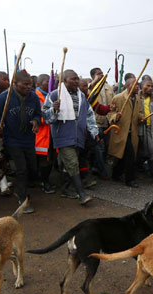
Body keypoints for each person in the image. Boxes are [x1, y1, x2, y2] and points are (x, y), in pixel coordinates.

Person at [42, 69, 95, 204]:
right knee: (72, 163)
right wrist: (53, 109)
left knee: (67, 165)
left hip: (78, 136)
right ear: (64, 81)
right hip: (63, 136)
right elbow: (46, 117)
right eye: (73, 79)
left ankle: (65, 189)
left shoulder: (82, 96)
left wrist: (94, 131)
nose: (77, 81)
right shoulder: (54, 95)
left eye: (77, 78)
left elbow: (88, 114)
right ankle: (81, 194)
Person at [0, 72, 40, 213]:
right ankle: (23, 199)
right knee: (22, 169)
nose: (29, 87)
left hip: (29, 139)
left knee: (32, 167)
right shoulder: (4, 97)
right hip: (12, 139)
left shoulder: (34, 97)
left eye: (30, 84)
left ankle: (21, 189)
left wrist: (36, 120)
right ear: (15, 83)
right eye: (25, 84)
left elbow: (38, 113)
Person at [108, 77, 142, 188]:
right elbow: (110, 114)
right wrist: (115, 116)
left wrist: (141, 117)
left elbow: (139, 112)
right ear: (128, 86)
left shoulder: (137, 98)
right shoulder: (118, 98)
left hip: (132, 132)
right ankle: (130, 179)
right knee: (130, 155)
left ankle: (116, 174)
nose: (138, 87)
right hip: (121, 131)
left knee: (125, 155)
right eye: (135, 85)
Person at [90, 67, 114, 179]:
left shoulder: (108, 88)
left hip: (107, 121)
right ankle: (102, 171)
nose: (102, 75)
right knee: (99, 147)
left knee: (106, 146)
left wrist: (111, 109)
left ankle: (97, 166)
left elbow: (110, 104)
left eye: (102, 73)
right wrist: (95, 82)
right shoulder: (91, 87)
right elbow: (91, 100)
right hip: (96, 122)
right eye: (98, 74)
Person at [34, 73, 57, 194]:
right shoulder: (35, 97)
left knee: (50, 159)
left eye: (51, 81)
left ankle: (44, 180)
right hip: (41, 135)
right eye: (47, 82)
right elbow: (38, 116)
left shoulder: (52, 96)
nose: (50, 84)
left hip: (52, 134)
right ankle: (43, 182)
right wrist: (51, 113)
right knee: (43, 160)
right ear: (39, 83)